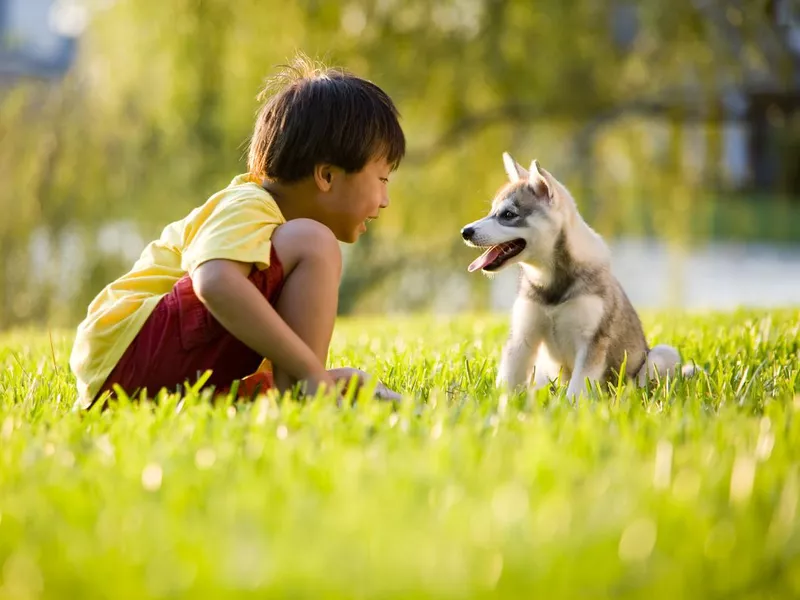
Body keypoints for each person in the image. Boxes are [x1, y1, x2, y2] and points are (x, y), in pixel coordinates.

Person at [69, 53, 406, 410]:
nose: (385, 200)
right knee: (316, 242)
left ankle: (297, 396)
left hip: (135, 377)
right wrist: (311, 372)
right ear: (326, 176)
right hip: (128, 353)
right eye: (382, 179)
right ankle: (307, 394)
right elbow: (213, 281)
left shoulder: (275, 240)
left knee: (307, 252)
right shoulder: (250, 203)